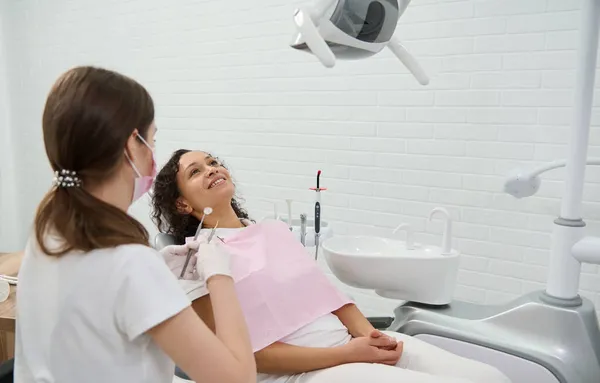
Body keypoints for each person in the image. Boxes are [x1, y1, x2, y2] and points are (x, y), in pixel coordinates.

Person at [151, 149, 512, 383]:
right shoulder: (193, 261)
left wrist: (369, 336)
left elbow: (329, 297)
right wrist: (346, 354)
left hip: (349, 345)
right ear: (182, 204)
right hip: (299, 372)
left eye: (213, 162)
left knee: (490, 377)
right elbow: (240, 358)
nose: (212, 169)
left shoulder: (273, 231)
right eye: (196, 171)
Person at [14, 67, 256, 383]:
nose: (153, 155)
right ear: (132, 145)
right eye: (152, 140)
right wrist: (219, 275)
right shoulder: (130, 263)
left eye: (213, 163)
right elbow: (237, 379)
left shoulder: (47, 233)